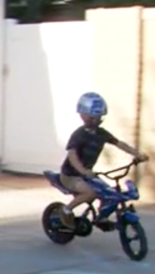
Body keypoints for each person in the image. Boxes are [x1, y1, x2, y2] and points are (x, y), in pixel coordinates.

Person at [57, 91, 148, 228]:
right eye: (91, 118)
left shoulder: (101, 133)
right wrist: (83, 171)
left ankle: (101, 218)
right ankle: (66, 210)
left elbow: (119, 144)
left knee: (109, 193)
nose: (95, 121)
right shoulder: (78, 135)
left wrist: (137, 154)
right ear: (82, 116)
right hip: (71, 175)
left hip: (87, 174)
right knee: (90, 193)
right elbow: (72, 155)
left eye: (98, 118)